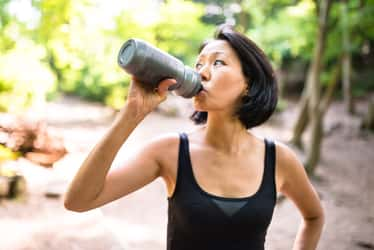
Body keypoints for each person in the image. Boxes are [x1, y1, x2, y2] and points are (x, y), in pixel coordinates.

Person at [64, 24, 324, 250]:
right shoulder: (169, 152)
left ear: (248, 83)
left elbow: (314, 216)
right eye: (198, 64)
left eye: (217, 62)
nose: (202, 72)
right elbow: (78, 200)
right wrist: (131, 113)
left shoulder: (278, 159)